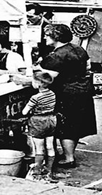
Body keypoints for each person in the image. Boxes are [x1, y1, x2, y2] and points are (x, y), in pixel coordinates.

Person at [39, 24, 97, 168]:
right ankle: (69, 154)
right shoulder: (79, 49)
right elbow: (88, 67)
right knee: (76, 124)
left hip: (67, 93)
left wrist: (28, 77)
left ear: (56, 37)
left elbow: (47, 79)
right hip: (83, 90)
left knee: (67, 126)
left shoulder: (57, 55)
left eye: (47, 35)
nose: (45, 37)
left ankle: (68, 158)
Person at [22, 71, 57, 182]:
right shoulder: (52, 94)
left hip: (38, 122)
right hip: (51, 120)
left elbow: (24, 112)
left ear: (38, 84)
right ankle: (49, 171)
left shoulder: (35, 97)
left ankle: (37, 172)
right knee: (50, 147)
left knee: (39, 148)